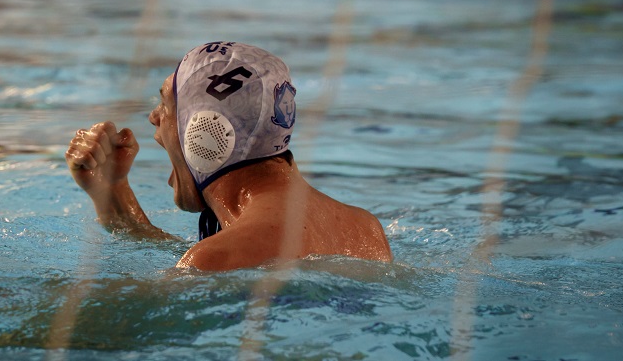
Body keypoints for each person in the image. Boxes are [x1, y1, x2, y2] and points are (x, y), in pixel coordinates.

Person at [65, 42, 392, 271]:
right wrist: (111, 191)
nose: (153, 117)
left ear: (204, 132)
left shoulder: (216, 259)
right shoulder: (366, 230)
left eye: (166, 106)